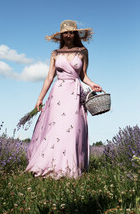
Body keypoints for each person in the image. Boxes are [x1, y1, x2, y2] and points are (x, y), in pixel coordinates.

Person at [25, 20, 102, 178]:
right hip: (58, 93)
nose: (68, 35)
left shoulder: (83, 52)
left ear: (76, 34)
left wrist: (93, 84)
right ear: (61, 35)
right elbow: (49, 78)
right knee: (55, 129)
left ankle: (69, 167)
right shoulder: (55, 54)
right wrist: (40, 99)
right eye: (65, 32)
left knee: (71, 130)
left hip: (74, 92)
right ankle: (50, 165)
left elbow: (83, 76)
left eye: (71, 32)